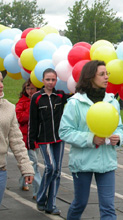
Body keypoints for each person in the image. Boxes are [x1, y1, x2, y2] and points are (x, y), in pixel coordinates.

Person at [59, 60, 123, 220]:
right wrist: (91, 138)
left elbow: (119, 127)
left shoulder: (112, 101)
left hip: (106, 161)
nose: (107, 77)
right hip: (83, 163)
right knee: (80, 203)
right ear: (90, 77)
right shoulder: (75, 103)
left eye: (107, 73)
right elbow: (65, 131)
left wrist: (118, 138)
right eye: (102, 74)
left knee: (108, 207)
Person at [28, 68, 70, 215]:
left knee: (57, 171)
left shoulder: (60, 95)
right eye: (48, 79)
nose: (50, 82)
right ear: (43, 80)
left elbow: (75, 96)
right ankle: (40, 198)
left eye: (53, 80)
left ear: (57, 80)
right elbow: (32, 121)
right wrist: (31, 141)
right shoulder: (37, 98)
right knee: (50, 167)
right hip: (44, 139)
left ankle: (51, 204)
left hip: (59, 138)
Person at [0, 72, 34, 205]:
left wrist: (26, 168)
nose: (1, 85)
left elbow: (16, 141)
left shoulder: (9, 108)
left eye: (2, 81)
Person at [16, 79, 41, 200]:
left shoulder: (39, 100)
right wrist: (31, 109)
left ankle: (23, 182)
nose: (30, 91)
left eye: (32, 88)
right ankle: (38, 192)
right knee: (33, 164)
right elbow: (19, 117)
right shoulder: (23, 102)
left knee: (28, 161)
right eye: (28, 88)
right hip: (25, 138)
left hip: (36, 138)